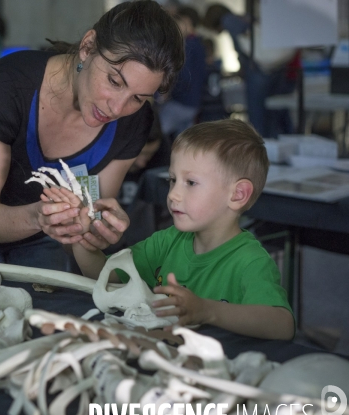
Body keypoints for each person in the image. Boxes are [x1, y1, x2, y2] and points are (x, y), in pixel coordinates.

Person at [0, 0, 184, 271]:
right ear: (88, 46)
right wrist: (39, 218)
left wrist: (96, 227)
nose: (117, 109)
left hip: (41, 235)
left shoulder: (133, 122)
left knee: (49, 310)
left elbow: (91, 209)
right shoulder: (6, 88)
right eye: (115, 82)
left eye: (138, 98)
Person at [47, 119, 294, 340]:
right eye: (172, 180)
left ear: (238, 195)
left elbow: (282, 325)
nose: (173, 194)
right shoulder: (167, 241)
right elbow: (105, 277)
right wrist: (80, 236)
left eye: (191, 183)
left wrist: (207, 311)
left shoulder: (251, 262)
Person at [203, 4, 298, 138]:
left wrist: (243, 65)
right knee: (273, 114)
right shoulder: (244, 17)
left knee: (258, 118)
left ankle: (262, 151)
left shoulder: (229, 20)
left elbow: (242, 47)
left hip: (258, 72)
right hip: (275, 69)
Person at [156, 5, 207, 139]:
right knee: (183, 142)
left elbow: (182, 74)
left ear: (186, 22)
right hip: (194, 103)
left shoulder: (186, 45)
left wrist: (166, 94)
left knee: (154, 134)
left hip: (181, 102)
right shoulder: (199, 44)